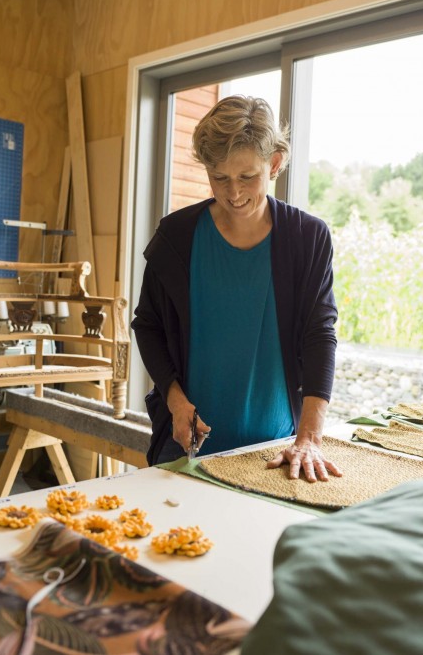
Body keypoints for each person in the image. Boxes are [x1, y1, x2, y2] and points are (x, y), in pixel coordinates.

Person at [131, 95, 342, 482]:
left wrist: (309, 437)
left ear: (274, 163)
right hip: (184, 447)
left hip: (274, 452)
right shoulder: (176, 238)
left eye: (247, 177)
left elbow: (319, 335)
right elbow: (148, 326)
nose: (233, 193)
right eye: (219, 177)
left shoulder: (308, 239)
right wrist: (175, 402)